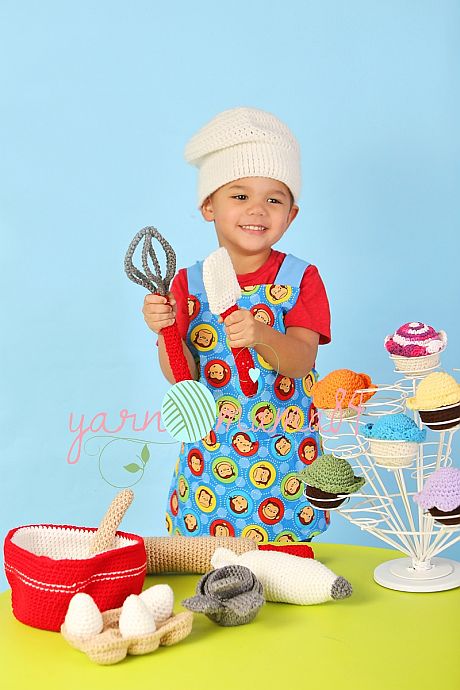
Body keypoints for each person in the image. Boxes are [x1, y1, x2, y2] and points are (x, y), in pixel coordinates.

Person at [142, 106, 331, 543]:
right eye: (240, 196)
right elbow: (182, 377)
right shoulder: (186, 284)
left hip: (285, 459)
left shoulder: (301, 279)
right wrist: (165, 331)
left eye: (274, 199)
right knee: (209, 564)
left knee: (284, 567)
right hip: (209, 462)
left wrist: (261, 335)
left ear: (291, 214)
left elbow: (301, 362)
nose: (258, 210)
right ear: (209, 205)